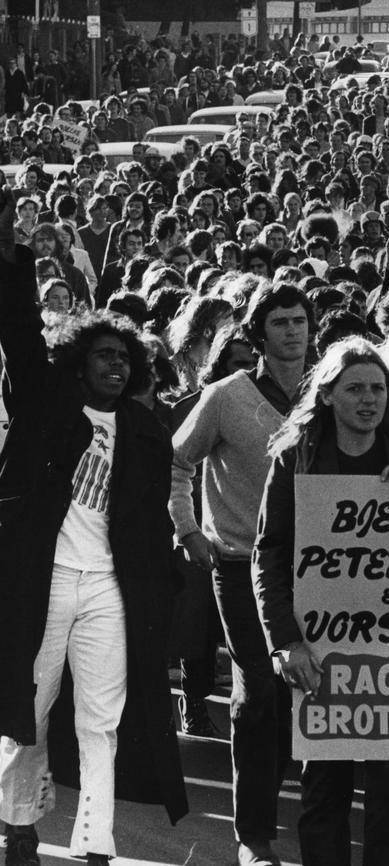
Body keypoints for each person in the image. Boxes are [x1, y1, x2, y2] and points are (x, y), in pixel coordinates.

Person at [0, 186, 187, 864]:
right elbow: (21, 335)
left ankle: (96, 843)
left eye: (123, 358)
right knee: (28, 712)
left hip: (108, 587)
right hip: (44, 582)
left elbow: (146, 521)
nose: (114, 366)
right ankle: (18, 824)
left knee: (100, 723)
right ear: (78, 362)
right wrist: (17, 257)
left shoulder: (143, 427)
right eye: (102, 356)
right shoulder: (49, 405)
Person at [252, 336, 389, 866]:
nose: (369, 399)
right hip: (320, 649)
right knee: (324, 790)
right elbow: (269, 554)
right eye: (355, 388)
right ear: (328, 395)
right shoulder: (297, 457)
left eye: (378, 388)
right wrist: (285, 641)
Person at [170, 282, 314, 866]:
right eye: (279, 322)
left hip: (319, 568)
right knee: (257, 692)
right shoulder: (228, 395)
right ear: (258, 334)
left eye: (300, 320)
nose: (292, 331)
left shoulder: (326, 391)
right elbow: (178, 460)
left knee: (300, 696)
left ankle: (310, 823)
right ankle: (254, 837)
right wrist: (187, 529)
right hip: (240, 564)